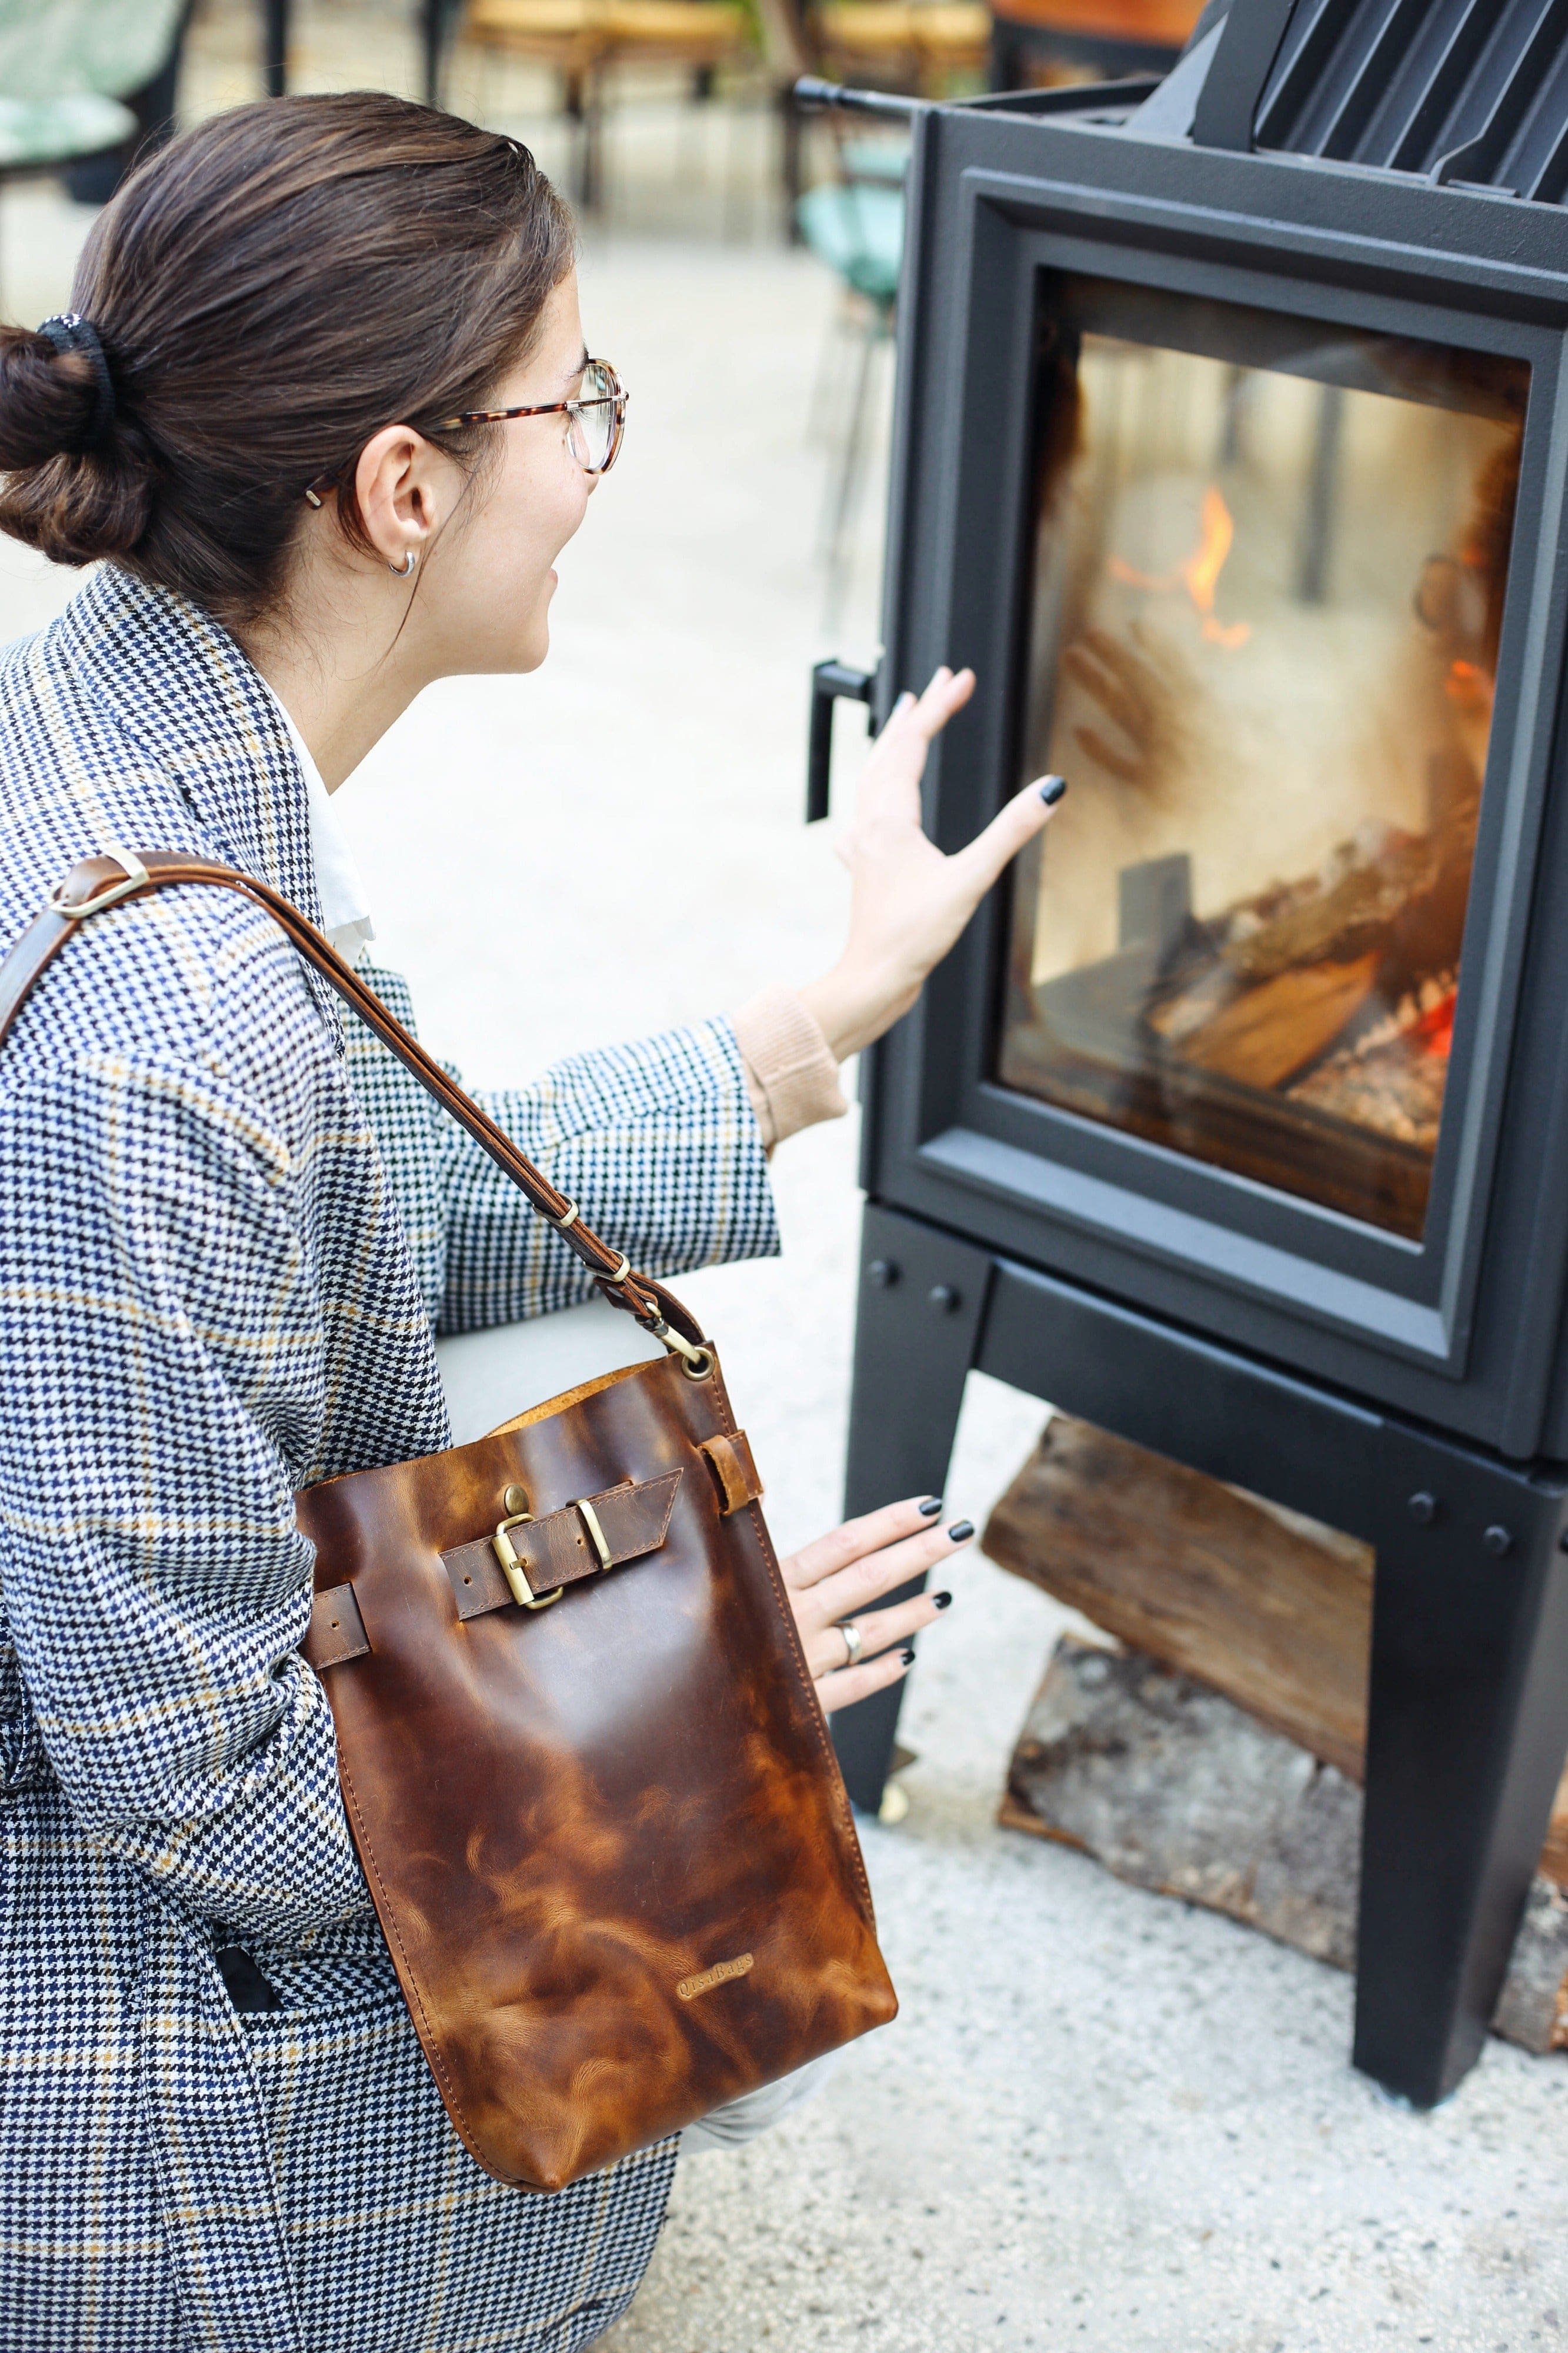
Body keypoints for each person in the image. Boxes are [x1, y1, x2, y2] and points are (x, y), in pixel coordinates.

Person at [0, 94, 1061, 2353]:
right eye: (571, 405)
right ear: (402, 490)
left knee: (564, 1455)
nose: (592, 462)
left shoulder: (105, 738)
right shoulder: (155, 1030)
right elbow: (195, 1779)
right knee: (713, 1946)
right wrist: (667, 1700)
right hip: (162, 2121)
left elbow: (341, 1191)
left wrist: (807, 1024)